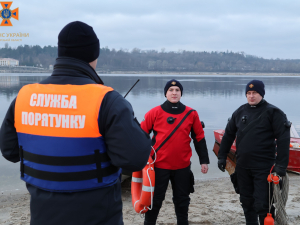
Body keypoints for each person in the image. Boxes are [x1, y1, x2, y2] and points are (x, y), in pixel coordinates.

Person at [0, 21, 152, 225]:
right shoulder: (107, 100)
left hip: (43, 216)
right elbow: (134, 159)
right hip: (99, 217)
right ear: (94, 55)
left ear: (60, 53)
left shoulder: (24, 97)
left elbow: (9, 152)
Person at [217, 80, 290, 225]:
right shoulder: (239, 112)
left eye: (255, 93)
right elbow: (228, 135)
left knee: (263, 204)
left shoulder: (273, 112)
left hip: (264, 168)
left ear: (261, 94)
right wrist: (221, 156)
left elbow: (283, 139)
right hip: (243, 166)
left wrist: (281, 165)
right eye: (248, 93)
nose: (251, 96)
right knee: (246, 202)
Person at [141, 79, 210, 225]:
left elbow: (199, 138)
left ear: (181, 93)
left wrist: (204, 160)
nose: (174, 93)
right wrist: (141, 158)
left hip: (182, 166)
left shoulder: (191, 113)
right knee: (155, 200)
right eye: (171, 90)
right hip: (159, 166)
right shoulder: (154, 112)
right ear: (166, 93)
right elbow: (140, 135)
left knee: (182, 200)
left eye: (177, 90)